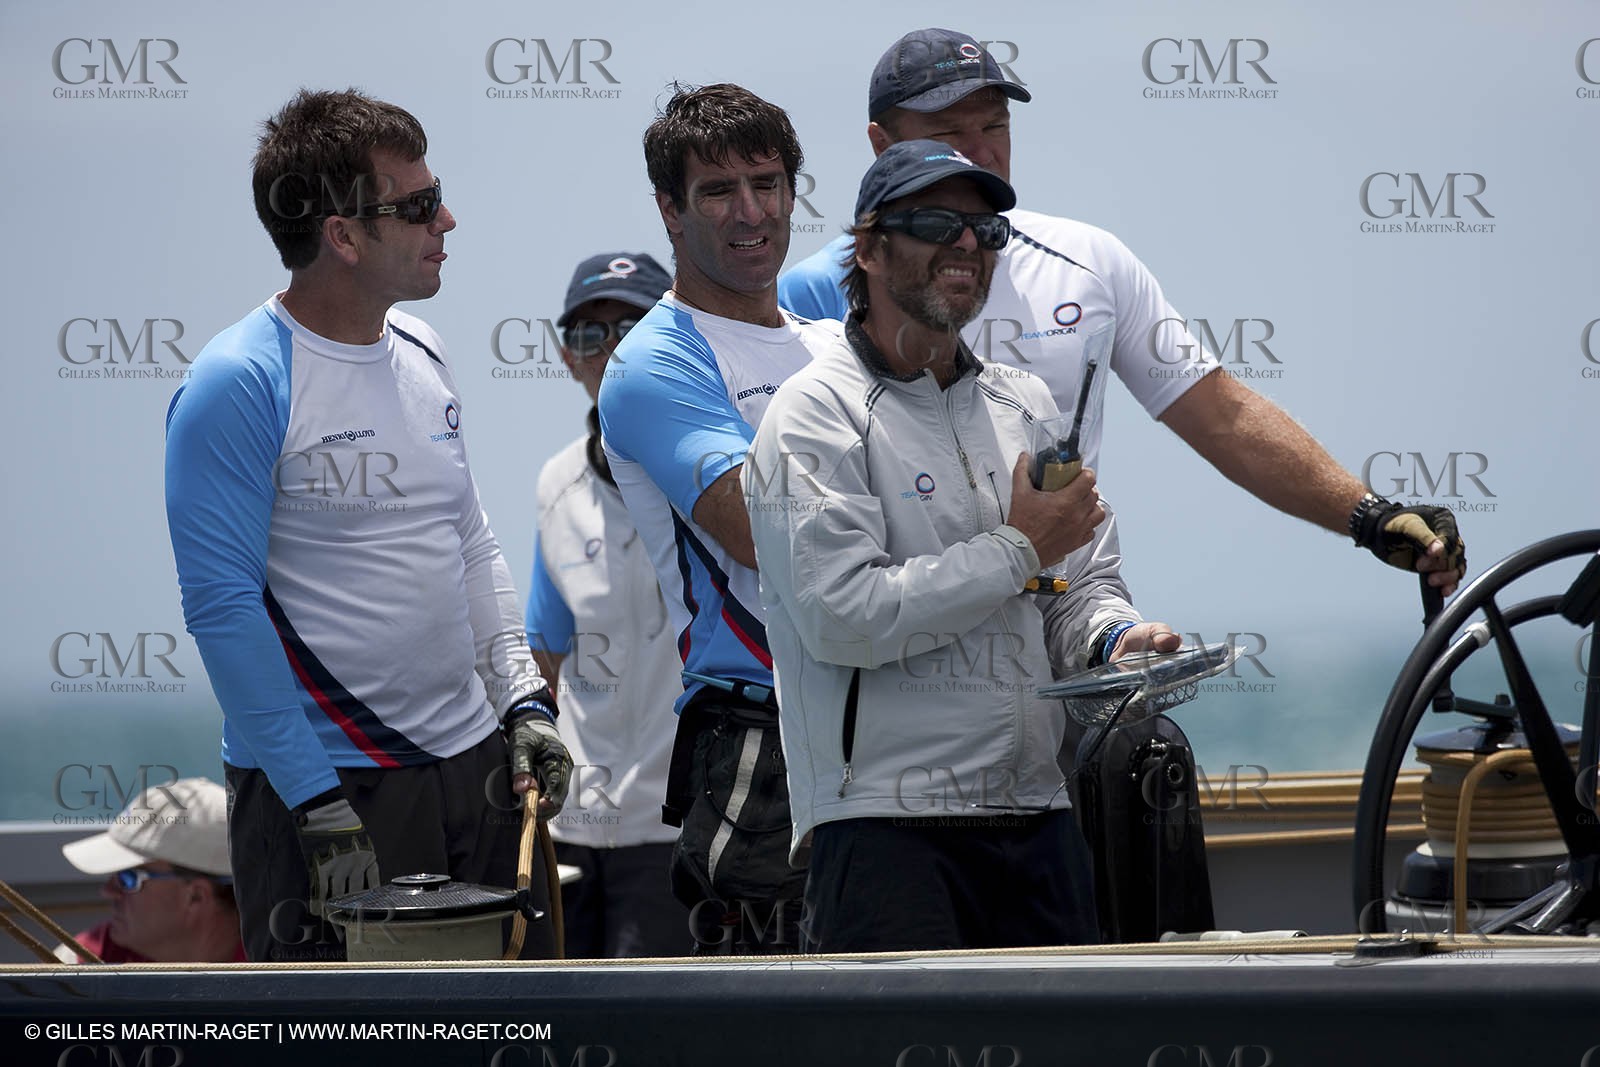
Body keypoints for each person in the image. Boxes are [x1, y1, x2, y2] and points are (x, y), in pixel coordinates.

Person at [777, 28, 1466, 594]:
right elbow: (803, 530)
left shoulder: (1092, 263)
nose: (981, 152)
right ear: (879, 144)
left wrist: (1370, 515)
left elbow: (1221, 416)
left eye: (995, 125)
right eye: (950, 130)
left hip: (1080, 630)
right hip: (910, 651)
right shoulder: (822, 287)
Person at [164, 88, 570, 962]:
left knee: (513, 1036)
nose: (447, 219)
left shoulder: (424, 349)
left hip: (474, 767)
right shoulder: (237, 381)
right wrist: (312, 799)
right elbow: (222, 608)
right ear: (342, 236)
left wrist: (523, 699)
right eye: (419, 206)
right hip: (331, 791)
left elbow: (469, 539)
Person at [748, 140, 1180, 952]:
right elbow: (846, 617)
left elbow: (1076, 585)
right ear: (869, 248)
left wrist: (1116, 640)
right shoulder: (814, 413)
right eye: (936, 223)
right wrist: (1018, 546)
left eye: (985, 229)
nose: (967, 245)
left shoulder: (1025, 404)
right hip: (883, 827)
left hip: (1039, 816)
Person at [596, 83, 846, 953]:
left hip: (875, 712)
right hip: (758, 738)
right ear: (669, 210)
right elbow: (758, 531)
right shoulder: (655, 362)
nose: (752, 213)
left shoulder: (830, 342)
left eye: (769, 184)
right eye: (717, 191)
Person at [525, 251, 688, 957]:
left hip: (677, 828)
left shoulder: (715, 466)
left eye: (633, 325)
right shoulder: (556, 482)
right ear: (568, 357)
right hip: (571, 828)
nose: (610, 347)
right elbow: (543, 652)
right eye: (591, 335)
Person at [57, 777, 245, 963]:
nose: (108, 891)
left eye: (128, 878)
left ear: (196, 896)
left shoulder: (271, 966)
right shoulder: (81, 961)